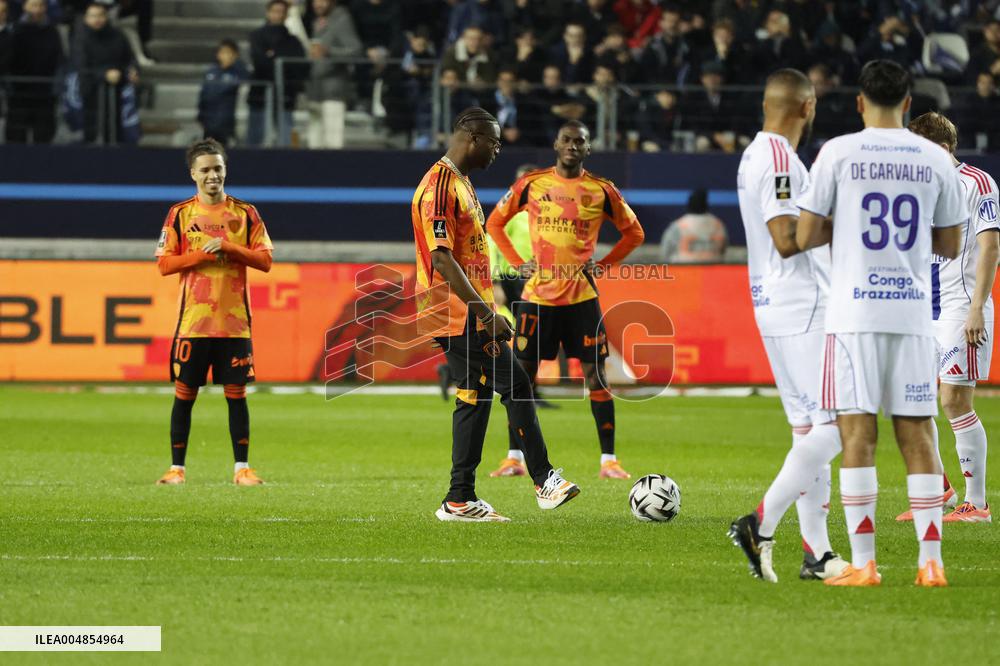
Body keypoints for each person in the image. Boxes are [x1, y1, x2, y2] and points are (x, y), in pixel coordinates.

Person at [796, 60, 966, 587]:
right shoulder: (936, 159)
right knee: (917, 433)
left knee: (858, 436)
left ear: (859, 102)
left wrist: (842, 226)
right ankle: (930, 562)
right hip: (914, 314)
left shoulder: (838, 153)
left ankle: (865, 563)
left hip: (853, 316)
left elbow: (803, 236)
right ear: (910, 102)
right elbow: (951, 245)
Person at [411, 106, 580, 522]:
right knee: (517, 382)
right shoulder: (439, 187)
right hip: (456, 312)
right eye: (494, 142)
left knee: (475, 396)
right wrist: (486, 314)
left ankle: (459, 498)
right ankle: (544, 480)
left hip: (459, 310)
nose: (498, 150)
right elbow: (443, 258)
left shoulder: (460, 183)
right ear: (471, 137)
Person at [728, 69, 848, 584]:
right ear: (808, 107)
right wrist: (845, 221)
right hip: (803, 305)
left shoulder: (755, 153)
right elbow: (784, 236)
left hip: (774, 304)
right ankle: (760, 521)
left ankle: (817, 555)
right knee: (843, 423)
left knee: (809, 430)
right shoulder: (779, 157)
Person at [486, 120, 645, 479]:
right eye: (567, 140)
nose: (573, 146)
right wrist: (516, 264)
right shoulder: (531, 184)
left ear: (588, 149)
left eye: (580, 141)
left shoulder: (601, 190)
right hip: (537, 298)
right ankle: (515, 458)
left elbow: (634, 233)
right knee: (521, 379)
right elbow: (494, 222)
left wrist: (603, 266)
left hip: (581, 299)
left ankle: (609, 461)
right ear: (557, 145)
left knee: (596, 377)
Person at [154, 139, 274, 487]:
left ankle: (242, 470)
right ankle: (176, 469)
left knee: (236, 396)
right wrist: (204, 256)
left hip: (235, 324)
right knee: (184, 395)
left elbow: (265, 260)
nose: (212, 176)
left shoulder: (245, 213)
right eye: (205, 169)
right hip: (193, 322)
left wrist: (229, 248)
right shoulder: (180, 214)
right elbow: (164, 264)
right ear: (193, 173)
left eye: (217, 168)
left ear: (225, 171)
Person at [902, 112, 997, 524]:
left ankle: (977, 503)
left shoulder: (976, 183)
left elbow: (990, 245)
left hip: (961, 307)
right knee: (913, 400)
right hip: (923, 309)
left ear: (939, 147)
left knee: (954, 400)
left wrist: (978, 306)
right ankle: (939, 488)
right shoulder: (919, 187)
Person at [74, 1, 137, 144]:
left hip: (116, 94)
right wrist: (104, 74)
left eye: (101, 15)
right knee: (91, 133)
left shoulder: (117, 36)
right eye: (93, 16)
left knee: (115, 132)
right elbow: (81, 66)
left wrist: (132, 71)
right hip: (90, 94)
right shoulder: (80, 39)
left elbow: (129, 59)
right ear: (86, 18)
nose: (97, 19)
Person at [247, 0, 307, 147]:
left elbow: (297, 66)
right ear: (268, 12)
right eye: (275, 11)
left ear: (286, 15)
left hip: (285, 96)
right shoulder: (257, 36)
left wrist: (272, 56)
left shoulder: (293, 41)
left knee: (286, 141)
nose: (278, 15)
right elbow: (259, 62)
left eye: (281, 12)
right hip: (260, 96)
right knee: (255, 142)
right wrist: (278, 59)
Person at [304, 0, 362, 148]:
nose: (318, 4)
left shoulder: (342, 19)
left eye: (323, 0)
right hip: (314, 90)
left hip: (334, 90)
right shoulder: (315, 20)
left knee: (333, 142)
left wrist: (328, 52)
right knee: (313, 143)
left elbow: (355, 50)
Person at [6, 0, 63, 144]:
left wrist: (55, 87)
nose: (37, 10)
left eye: (41, 5)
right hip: (19, 94)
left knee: (44, 138)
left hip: (45, 93)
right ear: (24, 7)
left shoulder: (52, 31)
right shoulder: (14, 30)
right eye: (33, 5)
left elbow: (59, 59)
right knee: (16, 138)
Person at [197, 39, 248, 145]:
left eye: (229, 53)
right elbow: (204, 94)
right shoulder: (212, 71)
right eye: (223, 52)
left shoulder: (237, 72)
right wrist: (201, 115)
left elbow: (246, 78)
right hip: (208, 121)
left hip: (226, 123)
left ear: (235, 55)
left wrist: (238, 63)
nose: (226, 56)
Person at [660, 188, 727, 263]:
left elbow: (666, 253)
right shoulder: (718, 225)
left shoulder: (678, 226)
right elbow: (723, 252)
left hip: (684, 270)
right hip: (713, 271)